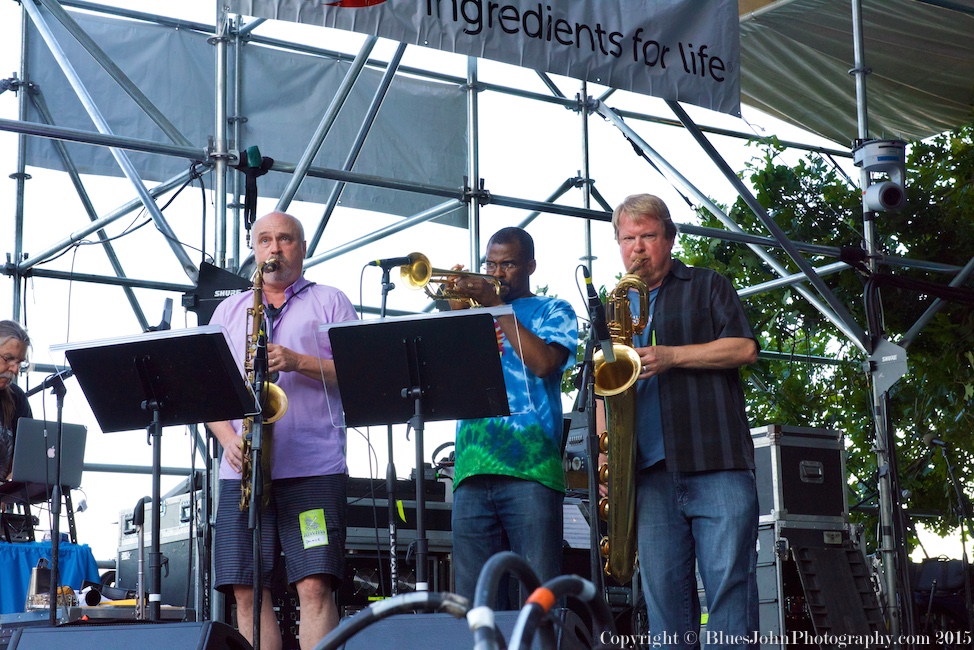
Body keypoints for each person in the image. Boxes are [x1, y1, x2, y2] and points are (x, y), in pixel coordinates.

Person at [601, 194, 759, 647]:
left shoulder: (708, 285)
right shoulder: (611, 307)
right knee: (665, 606)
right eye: (628, 238)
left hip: (716, 461)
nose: (638, 247)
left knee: (730, 590)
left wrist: (672, 356)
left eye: (648, 236)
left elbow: (744, 349)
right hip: (647, 473)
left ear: (669, 238)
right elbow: (601, 386)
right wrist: (607, 459)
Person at [207, 211, 357, 650]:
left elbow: (358, 372)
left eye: (285, 240)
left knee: (313, 584)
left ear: (302, 249)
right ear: (255, 249)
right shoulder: (230, 309)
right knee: (247, 589)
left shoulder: (330, 300)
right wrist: (228, 438)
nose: (275, 248)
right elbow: (208, 389)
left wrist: (296, 361)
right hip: (243, 469)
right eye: (266, 240)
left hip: (313, 467)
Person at [448, 227, 577, 607]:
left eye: (508, 264)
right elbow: (451, 377)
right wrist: (457, 314)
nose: (497, 272)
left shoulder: (555, 309)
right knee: (477, 607)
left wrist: (495, 306)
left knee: (538, 603)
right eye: (491, 264)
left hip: (530, 470)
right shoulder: (476, 312)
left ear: (530, 266)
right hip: (471, 469)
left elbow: (543, 364)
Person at [0, 320, 31, 480]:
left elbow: (26, 454)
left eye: (19, 362)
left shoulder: (16, 397)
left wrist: (12, 481)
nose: (15, 369)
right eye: (8, 358)